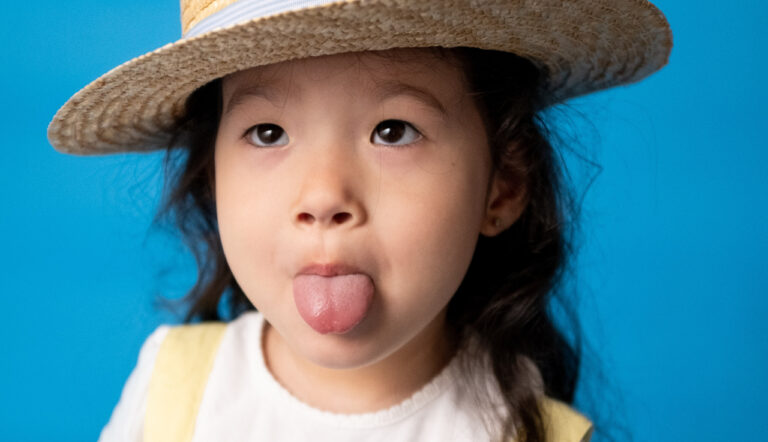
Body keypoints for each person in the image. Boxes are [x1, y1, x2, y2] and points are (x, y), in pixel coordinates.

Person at [48, 1, 672, 441]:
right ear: (211, 179)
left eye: (392, 131)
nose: (323, 195)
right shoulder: (172, 390)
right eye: (268, 133)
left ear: (503, 186)